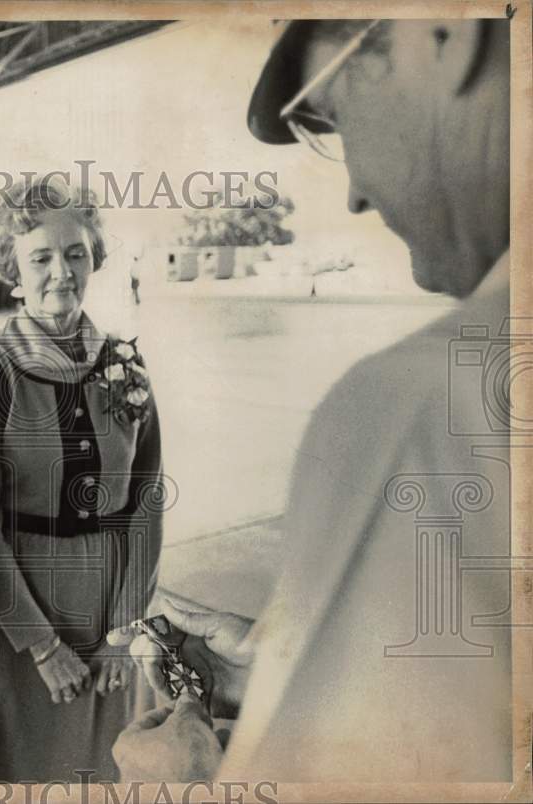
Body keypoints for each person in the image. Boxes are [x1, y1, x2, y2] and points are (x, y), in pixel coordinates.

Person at [111, 19, 512, 782]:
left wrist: (176, 789)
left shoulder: (420, 407)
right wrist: (288, 672)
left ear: (443, 30)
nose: (356, 192)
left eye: (333, 117)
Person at [0, 177, 163, 782]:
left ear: (95, 258)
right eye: (41, 257)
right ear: (14, 267)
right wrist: (39, 643)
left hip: (106, 609)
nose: (61, 272)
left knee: (100, 769)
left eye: (75, 253)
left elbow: (146, 499)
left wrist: (124, 626)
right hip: (14, 615)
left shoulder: (125, 362)